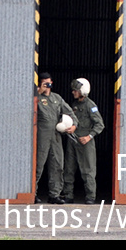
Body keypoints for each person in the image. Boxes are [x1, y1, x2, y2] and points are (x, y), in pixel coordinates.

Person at [62, 77, 106, 204]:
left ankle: (90, 196)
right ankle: (68, 195)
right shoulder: (74, 105)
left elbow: (100, 124)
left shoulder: (91, 106)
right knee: (69, 169)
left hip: (86, 142)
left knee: (88, 170)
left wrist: (89, 137)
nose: (73, 92)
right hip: (73, 140)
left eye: (75, 90)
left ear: (82, 91)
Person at [35, 72, 76, 203]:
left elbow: (70, 112)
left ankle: (54, 194)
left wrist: (74, 125)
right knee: (38, 164)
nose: (47, 85)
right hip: (42, 135)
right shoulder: (36, 98)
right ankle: (32, 192)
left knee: (58, 163)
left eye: (49, 82)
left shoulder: (57, 98)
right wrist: (38, 92)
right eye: (44, 83)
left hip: (56, 136)